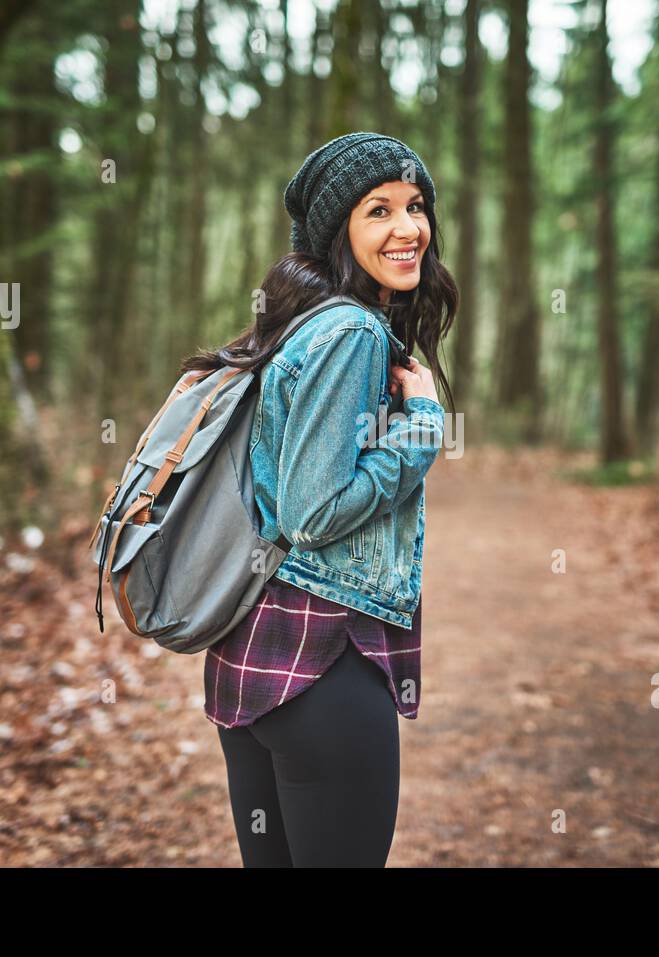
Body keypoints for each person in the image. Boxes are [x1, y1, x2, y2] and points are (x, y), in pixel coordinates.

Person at [178, 132, 458, 866]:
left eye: (416, 205)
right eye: (379, 211)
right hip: (324, 663)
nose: (410, 229)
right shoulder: (350, 331)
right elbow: (311, 511)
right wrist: (424, 426)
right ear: (340, 230)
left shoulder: (306, 319)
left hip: (257, 656)